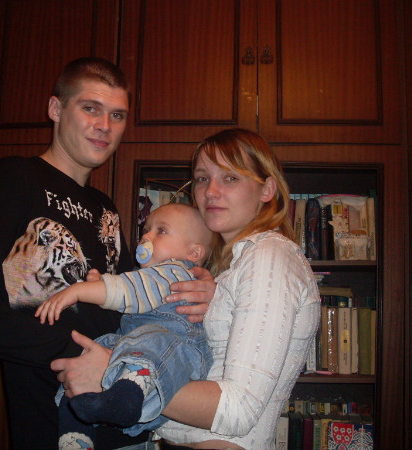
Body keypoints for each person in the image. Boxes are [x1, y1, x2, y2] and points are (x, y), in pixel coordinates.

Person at [0, 57, 214, 450]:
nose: (105, 125)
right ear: (56, 109)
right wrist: (75, 353)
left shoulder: (106, 208)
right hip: (54, 424)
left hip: (129, 428)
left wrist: (193, 281)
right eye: (90, 108)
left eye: (117, 115)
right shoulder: (15, 178)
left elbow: (133, 298)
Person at [53, 128, 321, 450]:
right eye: (202, 178)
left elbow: (239, 410)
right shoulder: (229, 267)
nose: (211, 191)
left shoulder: (268, 256)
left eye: (231, 178)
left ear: (267, 189)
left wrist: (115, 375)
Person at [35, 202, 215, 450]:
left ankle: (124, 400)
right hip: (140, 353)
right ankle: (76, 436)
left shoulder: (175, 272)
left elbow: (127, 291)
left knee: (151, 342)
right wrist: (103, 282)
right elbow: (134, 287)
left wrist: (79, 291)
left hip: (171, 353)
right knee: (88, 357)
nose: (146, 237)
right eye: (146, 229)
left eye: (161, 231)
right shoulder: (151, 275)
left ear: (193, 253)